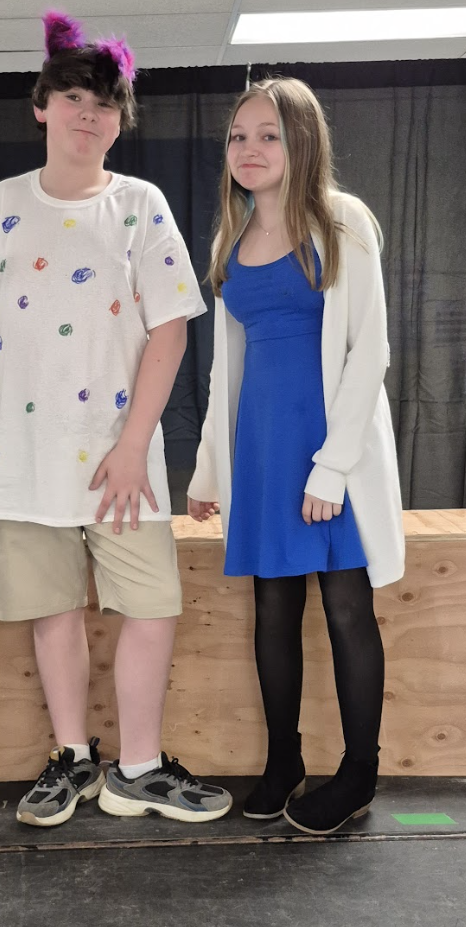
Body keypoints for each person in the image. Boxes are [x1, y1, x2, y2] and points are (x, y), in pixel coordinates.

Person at [0, 12, 233, 826]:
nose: (91, 115)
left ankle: (140, 768)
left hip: (121, 459)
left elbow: (170, 327)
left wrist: (132, 447)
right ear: (42, 106)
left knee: (150, 606)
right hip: (23, 461)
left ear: (120, 121)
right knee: (53, 613)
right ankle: (74, 759)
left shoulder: (139, 205)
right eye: (76, 97)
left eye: (108, 104)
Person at [187, 78, 405, 835]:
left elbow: (368, 348)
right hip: (262, 446)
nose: (249, 149)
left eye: (268, 135)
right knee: (272, 608)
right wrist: (210, 469)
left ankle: (359, 773)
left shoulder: (342, 221)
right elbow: (225, 368)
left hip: (327, 447)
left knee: (347, 609)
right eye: (238, 137)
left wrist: (333, 466)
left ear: (302, 141)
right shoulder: (231, 237)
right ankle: (285, 762)